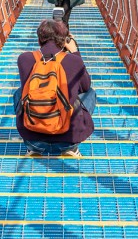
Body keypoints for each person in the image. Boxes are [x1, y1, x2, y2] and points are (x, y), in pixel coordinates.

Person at [16, 19, 95, 157]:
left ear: (40, 39)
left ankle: (32, 147)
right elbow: (85, 85)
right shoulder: (73, 61)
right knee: (90, 93)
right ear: (64, 40)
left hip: (34, 139)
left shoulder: (24, 59)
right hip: (67, 139)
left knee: (20, 92)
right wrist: (75, 52)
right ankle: (71, 148)